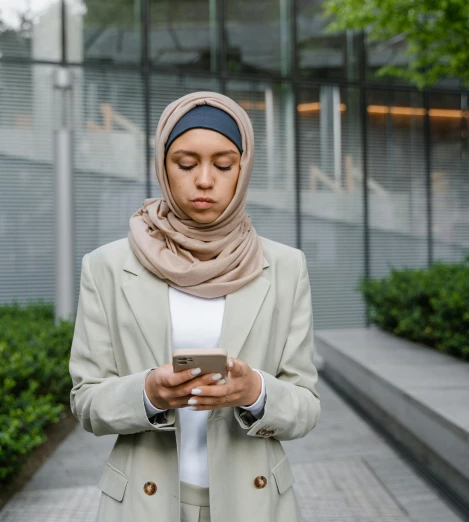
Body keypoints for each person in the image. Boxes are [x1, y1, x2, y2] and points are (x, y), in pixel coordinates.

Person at [69, 91, 320, 522]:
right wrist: (148, 393)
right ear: (163, 168)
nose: (204, 180)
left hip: (255, 504)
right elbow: (86, 401)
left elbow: (306, 406)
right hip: (143, 503)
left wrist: (255, 392)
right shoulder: (107, 267)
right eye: (185, 164)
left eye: (223, 165)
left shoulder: (285, 267)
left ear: (243, 169)